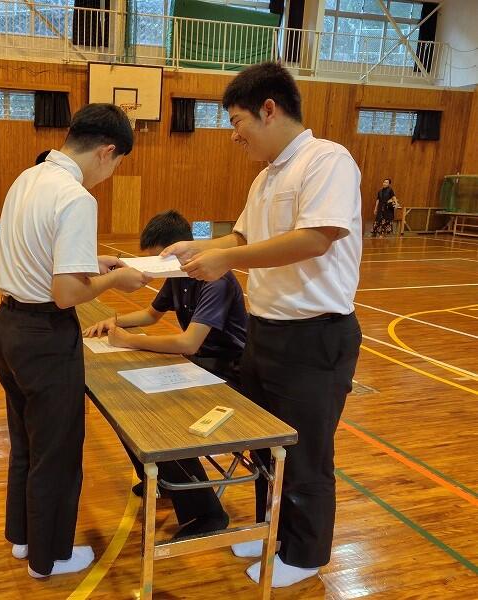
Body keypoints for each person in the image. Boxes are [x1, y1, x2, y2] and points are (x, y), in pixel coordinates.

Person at [162, 62, 362, 588]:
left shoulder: (327, 160)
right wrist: (198, 248)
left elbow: (315, 238)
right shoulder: (266, 176)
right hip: (265, 332)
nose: (235, 135)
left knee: (306, 453)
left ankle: (305, 553)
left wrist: (228, 259)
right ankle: (271, 530)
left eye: (237, 121)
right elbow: (240, 238)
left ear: (269, 109)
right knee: (264, 444)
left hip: (315, 335)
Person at [0, 103, 151, 579]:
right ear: (106, 151)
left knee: (27, 443)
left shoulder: (29, 177)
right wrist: (114, 281)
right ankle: (50, 558)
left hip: (7, 327)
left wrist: (89, 261)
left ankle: (24, 539)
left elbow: (36, 249)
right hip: (44, 336)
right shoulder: (77, 197)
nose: (110, 175)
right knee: (57, 451)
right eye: (116, 164)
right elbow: (66, 294)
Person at [83, 209, 248, 537]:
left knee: (162, 417)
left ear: (179, 251)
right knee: (126, 407)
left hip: (229, 372)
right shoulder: (177, 274)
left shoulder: (215, 280)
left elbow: (188, 342)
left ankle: (206, 514)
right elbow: (150, 314)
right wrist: (113, 322)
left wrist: (129, 341)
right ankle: (161, 480)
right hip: (199, 365)